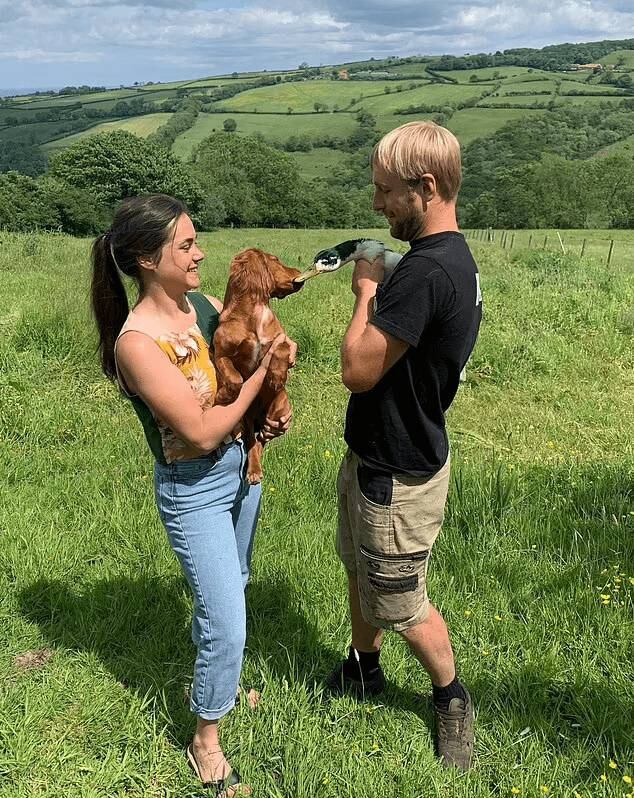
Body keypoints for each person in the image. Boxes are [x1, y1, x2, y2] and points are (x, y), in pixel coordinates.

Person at [90, 194, 294, 796]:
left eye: (195, 239)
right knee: (226, 618)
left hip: (238, 470)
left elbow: (231, 386)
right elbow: (201, 430)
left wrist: (265, 416)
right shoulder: (138, 341)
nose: (200, 252)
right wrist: (269, 372)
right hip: (195, 488)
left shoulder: (201, 306)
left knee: (237, 582)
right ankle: (206, 738)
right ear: (147, 260)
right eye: (185, 245)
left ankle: (222, 688)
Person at [327, 121, 482, 770]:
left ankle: (451, 698)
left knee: (403, 602)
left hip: (398, 473)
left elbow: (358, 369)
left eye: (386, 192)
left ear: (426, 187)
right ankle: (365, 669)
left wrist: (365, 290)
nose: (376, 205)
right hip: (375, 458)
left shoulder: (425, 273)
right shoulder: (444, 258)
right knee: (361, 571)